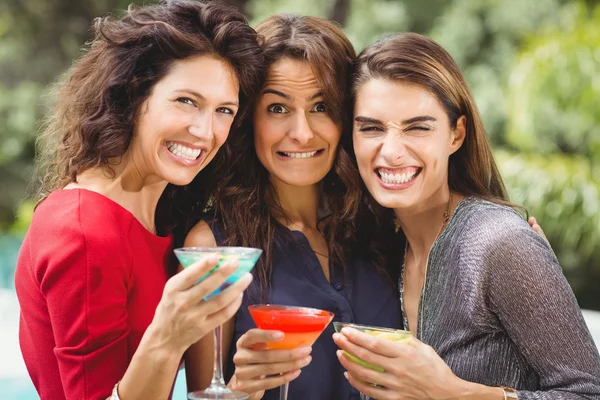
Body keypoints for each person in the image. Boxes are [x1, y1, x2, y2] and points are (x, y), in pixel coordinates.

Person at [14, 1, 264, 399]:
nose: (205, 130)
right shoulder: (84, 231)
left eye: (224, 110)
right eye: (187, 101)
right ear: (133, 95)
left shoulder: (166, 218)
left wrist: (249, 384)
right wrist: (165, 339)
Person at [333, 32, 600, 399]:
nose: (391, 151)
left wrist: (456, 393)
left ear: (456, 134)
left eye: (418, 127)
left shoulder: (499, 243)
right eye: (371, 128)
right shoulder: (382, 248)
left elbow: (589, 392)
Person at [180, 14, 402, 400]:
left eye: (321, 107)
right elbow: (206, 393)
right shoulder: (215, 248)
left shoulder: (386, 227)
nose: (301, 133)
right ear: (249, 119)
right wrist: (240, 389)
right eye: (278, 109)